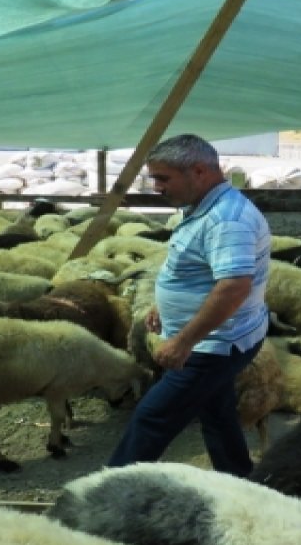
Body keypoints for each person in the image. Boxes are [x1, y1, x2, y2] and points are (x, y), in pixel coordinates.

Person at [107, 134, 271, 477]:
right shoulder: (203, 207)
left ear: (198, 171)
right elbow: (200, 271)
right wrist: (163, 308)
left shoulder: (226, 219)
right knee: (217, 411)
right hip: (220, 338)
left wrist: (183, 341)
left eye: (163, 178)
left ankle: (104, 493)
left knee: (152, 417)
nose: (157, 188)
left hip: (213, 345)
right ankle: (240, 478)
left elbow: (233, 285)